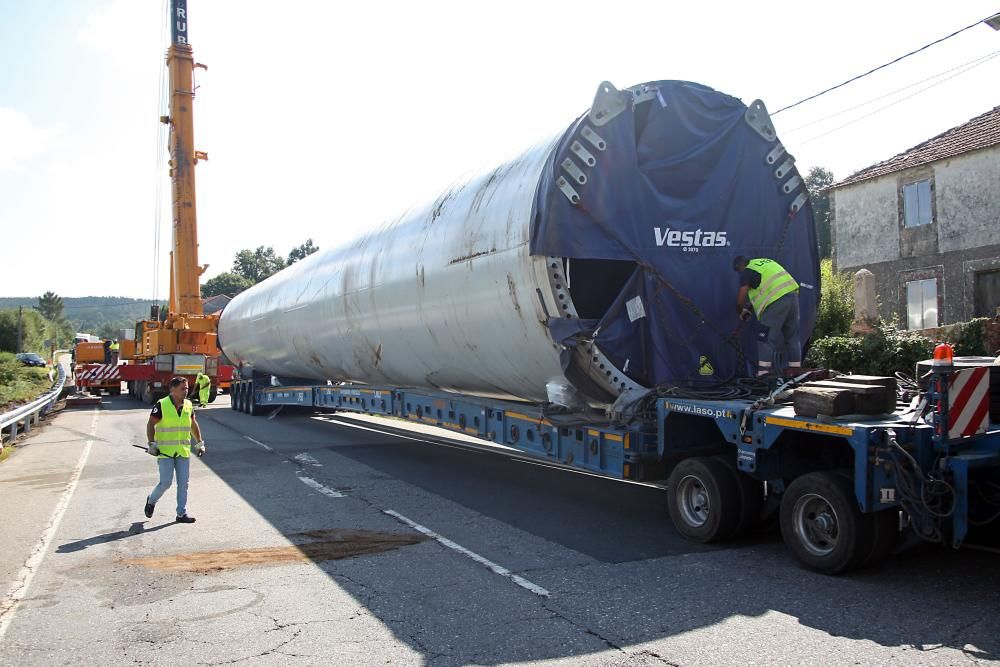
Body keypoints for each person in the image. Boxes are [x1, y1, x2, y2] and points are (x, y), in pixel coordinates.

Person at [144, 377, 206, 523]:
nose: (186, 391)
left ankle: (181, 514)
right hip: (165, 451)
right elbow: (150, 424)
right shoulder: (162, 405)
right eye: (182, 388)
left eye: (187, 388)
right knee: (165, 483)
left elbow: (193, 424)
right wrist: (152, 444)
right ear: (173, 390)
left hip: (183, 450)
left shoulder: (188, 405)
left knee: (183, 483)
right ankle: (151, 501)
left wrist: (199, 443)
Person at [732, 256, 802, 377]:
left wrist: (740, 311)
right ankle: (795, 370)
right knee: (792, 336)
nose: (740, 275)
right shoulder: (763, 263)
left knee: (765, 338)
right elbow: (762, 290)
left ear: (740, 267)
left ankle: (764, 373)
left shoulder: (747, 271)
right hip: (792, 296)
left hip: (776, 301)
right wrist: (748, 310)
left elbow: (741, 299)